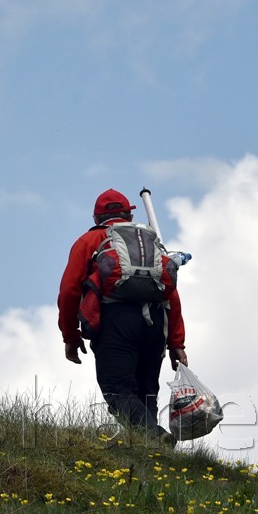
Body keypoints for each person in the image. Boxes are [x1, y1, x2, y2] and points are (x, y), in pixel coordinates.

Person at [58, 189, 187, 445]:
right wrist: (176, 343)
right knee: (146, 391)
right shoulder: (152, 244)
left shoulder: (88, 241)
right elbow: (171, 294)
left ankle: (155, 437)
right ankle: (152, 450)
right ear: (129, 215)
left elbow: (69, 291)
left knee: (118, 390)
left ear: (96, 218)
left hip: (114, 321)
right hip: (155, 323)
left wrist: (70, 336)